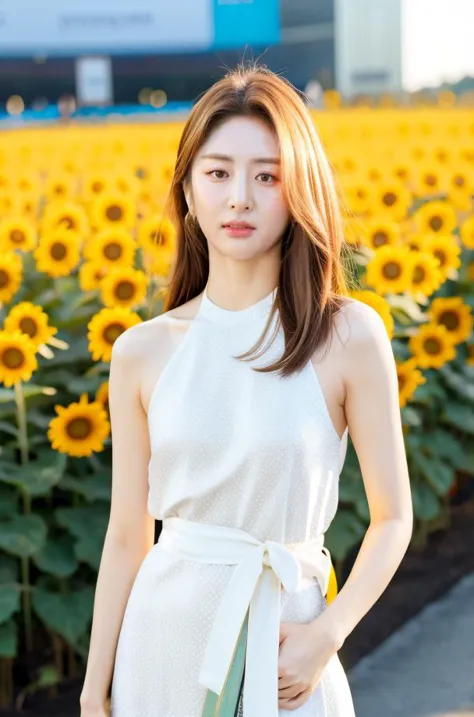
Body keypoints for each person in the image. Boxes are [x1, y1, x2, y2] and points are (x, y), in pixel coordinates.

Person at [79, 61, 413, 717]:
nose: (239, 197)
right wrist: (95, 688)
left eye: (267, 176)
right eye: (218, 172)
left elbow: (393, 517)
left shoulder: (348, 335)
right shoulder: (141, 352)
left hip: (290, 645)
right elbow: (127, 535)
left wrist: (328, 633)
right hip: (162, 644)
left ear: (299, 193)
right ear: (187, 191)